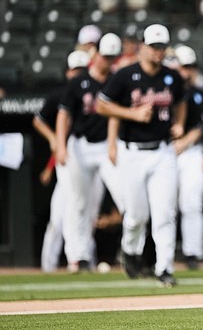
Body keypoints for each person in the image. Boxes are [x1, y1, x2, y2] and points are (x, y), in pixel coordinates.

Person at [96, 24, 186, 288]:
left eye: (162, 47)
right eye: (154, 47)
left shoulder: (172, 77)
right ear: (143, 47)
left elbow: (180, 102)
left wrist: (179, 123)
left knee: (165, 213)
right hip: (132, 150)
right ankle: (130, 250)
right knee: (136, 215)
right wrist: (131, 114)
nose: (158, 52)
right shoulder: (125, 75)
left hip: (162, 151)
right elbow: (103, 105)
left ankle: (164, 267)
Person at [55, 34, 123, 273]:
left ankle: (130, 251)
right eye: (105, 56)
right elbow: (64, 114)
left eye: (112, 57)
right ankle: (79, 256)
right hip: (80, 146)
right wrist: (61, 145)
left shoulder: (116, 81)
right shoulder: (79, 81)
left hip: (106, 146)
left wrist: (114, 144)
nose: (108, 61)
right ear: (96, 55)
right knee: (79, 203)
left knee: (120, 198)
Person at [33, 50, 89, 272]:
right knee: (63, 215)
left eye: (82, 71)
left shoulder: (89, 95)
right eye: (75, 70)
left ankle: (82, 259)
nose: (78, 74)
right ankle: (59, 262)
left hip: (79, 157)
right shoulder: (60, 95)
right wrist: (52, 140)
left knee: (79, 211)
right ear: (68, 72)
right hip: (65, 161)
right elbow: (39, 121)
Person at [172, 44, 203, 270]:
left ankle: (192, 253)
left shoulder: (200, 94)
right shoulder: (164, 90)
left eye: (190, 67)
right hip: (163, 150)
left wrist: (186, 142)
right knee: (164, 206)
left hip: (192, 150)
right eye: (182, 67)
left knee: (191, 203)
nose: (186, 72)